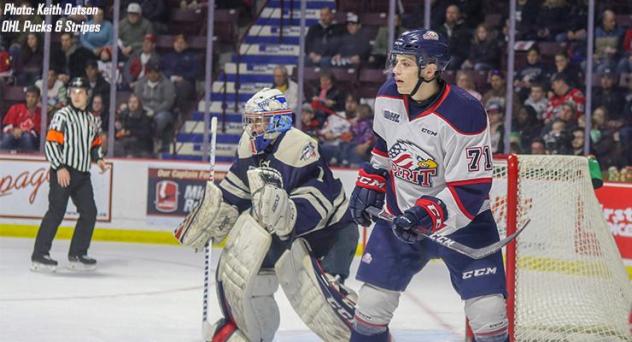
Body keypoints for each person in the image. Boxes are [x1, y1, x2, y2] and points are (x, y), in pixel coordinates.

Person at [348, 29, 508, 342]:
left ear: (430, 68)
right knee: (370, 308)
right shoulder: (388, 95)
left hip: (464, 223)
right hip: (399, 218)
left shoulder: (465, 113)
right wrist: (372, 180)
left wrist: (425, 214)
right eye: (396, 61)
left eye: (406, 63)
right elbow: (384, 143)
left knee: (490, 315)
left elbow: (471, 187)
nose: (396, 70)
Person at [175, 88, 359, 341]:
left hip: (329, 234)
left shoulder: (299, 146)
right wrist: (216, 213)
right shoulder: (248, 145)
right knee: (240, 280)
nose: (253, 127)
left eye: (258, 120)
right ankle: (250, 335)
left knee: (324, 305)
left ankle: (364, 336)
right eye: (250, 120)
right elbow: (235, 191)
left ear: (278, 120)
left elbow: (318, 202)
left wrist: (288, 214)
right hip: (282, 234)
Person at [31, 77, 109, 272]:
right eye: (73, 92)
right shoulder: (62, 116)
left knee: (89, 212)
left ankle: (78, 253)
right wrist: (59, 167)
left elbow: (95, 144)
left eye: (80, 92)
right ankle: (39, 255)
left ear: (87, 95)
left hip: (82, 175)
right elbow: (51, 143)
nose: (76, 95)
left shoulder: (91, 119)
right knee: (56, 211)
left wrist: (98, 158)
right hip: (63, 172)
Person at [1, 86, 41, 152]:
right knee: (7, 137)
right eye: (28, 96)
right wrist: (13, 130)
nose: (30, 99)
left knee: (27, 138)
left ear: (38, 98)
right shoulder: (15, 108)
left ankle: (30, 160)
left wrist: (22, 131)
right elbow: (6, 126)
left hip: (29, 137)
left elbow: (37, 132)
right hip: (13, 133)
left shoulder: (41, 112)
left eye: (33, 96)